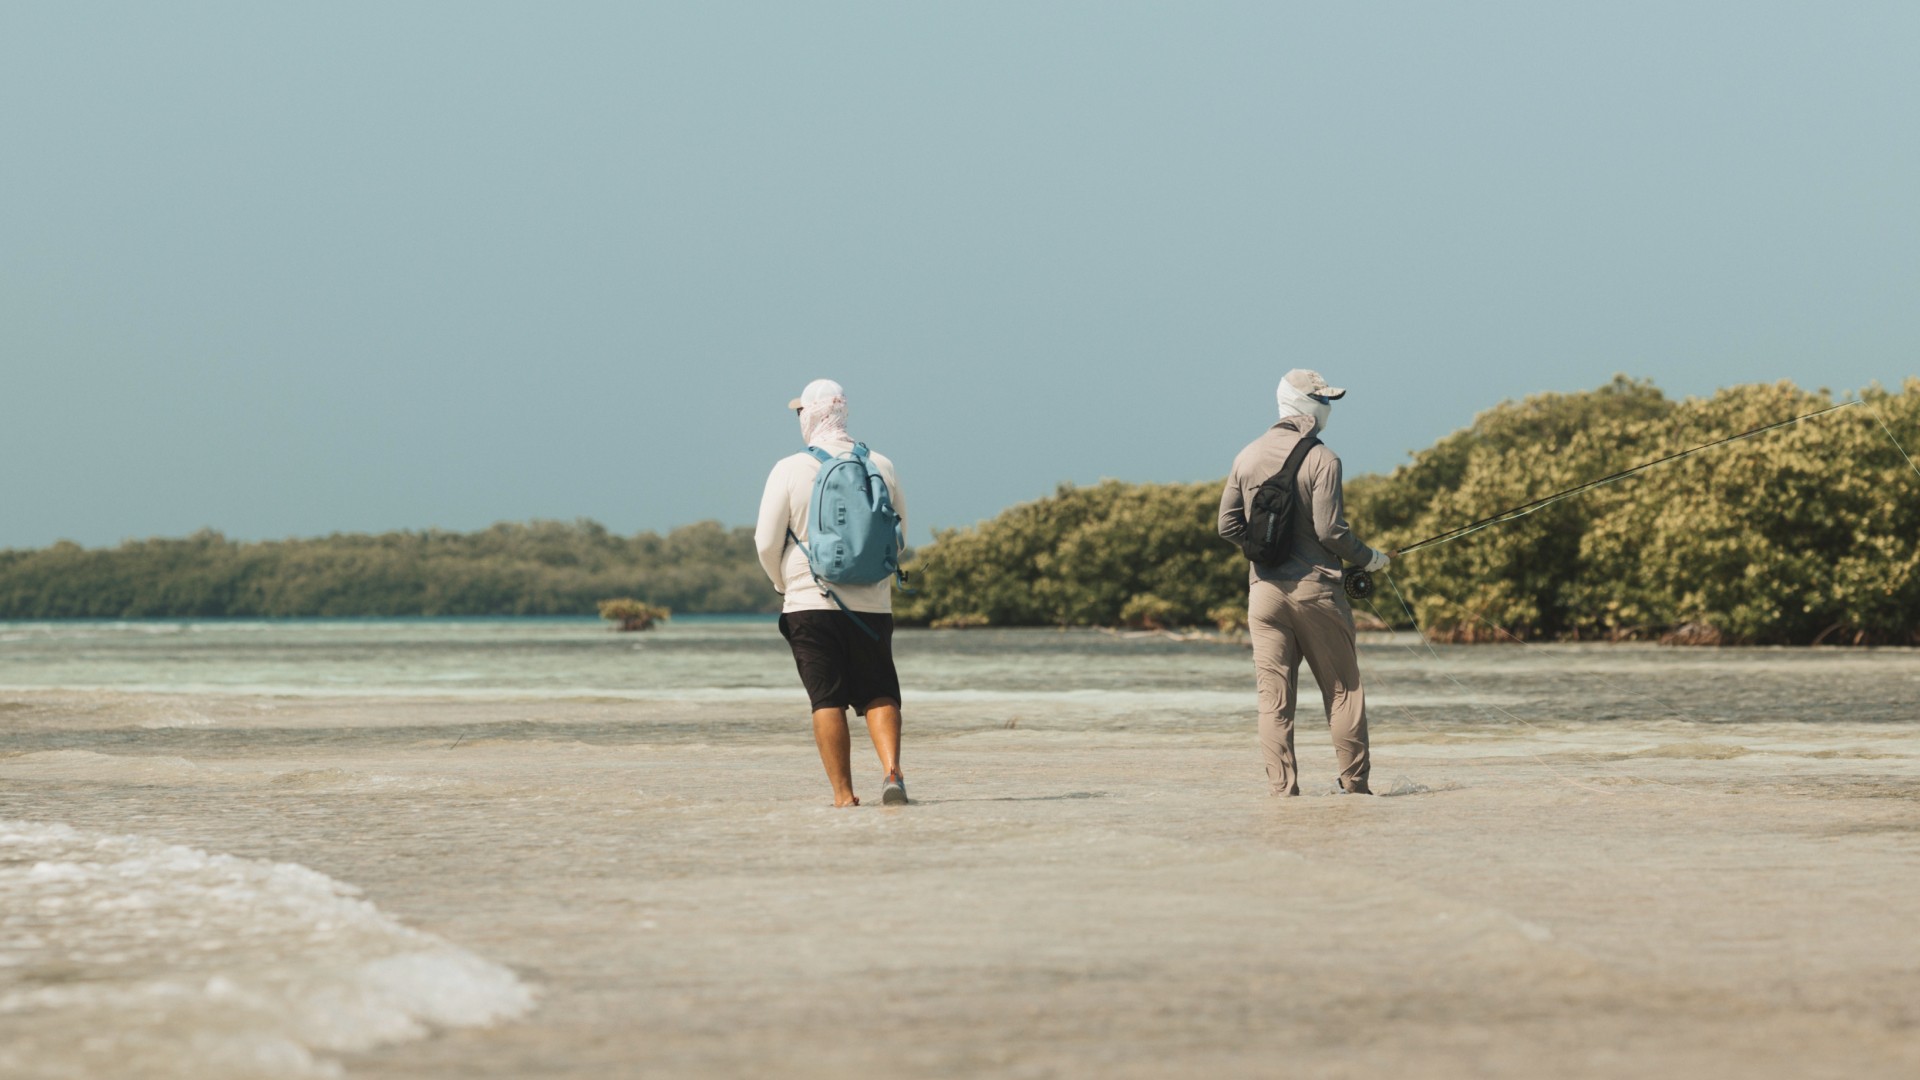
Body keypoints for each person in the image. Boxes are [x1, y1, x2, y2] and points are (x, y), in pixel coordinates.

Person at [1218, 369, 1392, 797]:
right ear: (1303, 404)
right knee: (1343, 692)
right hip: (1316, 593)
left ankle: (1282, 795)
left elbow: (1227, 526)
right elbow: (1331, 532)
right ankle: (1355, 790)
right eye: (1323, 400)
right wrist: (1372, 559)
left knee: (1273, 703)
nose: (1327, 408)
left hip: (1263, 595)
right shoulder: (1322, 458)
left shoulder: (1246, 455)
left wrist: (1263, 553)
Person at [755, 378, 909, 807]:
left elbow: (766, 542)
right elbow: (899, 539)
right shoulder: (881, 464)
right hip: (873, 604)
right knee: (880, 691)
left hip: (810, 602)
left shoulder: (789, 468)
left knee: (827, 699)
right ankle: (892, 772)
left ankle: (844, 796)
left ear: (808, 415)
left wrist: (783, 582)